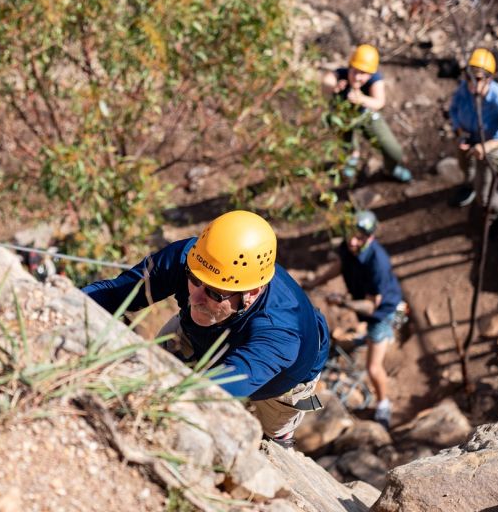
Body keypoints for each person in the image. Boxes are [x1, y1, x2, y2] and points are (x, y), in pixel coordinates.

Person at [82, 210, 330, 448]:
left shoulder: (280, 333)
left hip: (281, 381)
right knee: (154, 367)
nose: (195, 298)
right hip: (198, 334)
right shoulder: (192, 258)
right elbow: (115, 293)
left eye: (213, 292)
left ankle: (280, 434)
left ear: (252, 293)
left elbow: (218, 389)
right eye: (193, 279)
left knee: (271, 432)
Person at [304, 210, 403, 429]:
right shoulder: (350, 247)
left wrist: (344, 303)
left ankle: (384, 405)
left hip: (381, 313)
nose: (352, 241)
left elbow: (372, 305)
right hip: (365, 303)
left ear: (371, 238)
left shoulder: (378, 263)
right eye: (351, 234)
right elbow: (342, 265)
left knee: (373, 368)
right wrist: (317, 282)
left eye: (359, 237)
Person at [448, 48, 498, 228]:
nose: (471, 83)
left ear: (489, 79)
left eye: (477, 79)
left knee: (485, 196)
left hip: (490, 148)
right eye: (468, 76)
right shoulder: (464, 90)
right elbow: (453, 110)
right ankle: (469, 187)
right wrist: (459, 131)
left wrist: (491, 145)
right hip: (468, 139)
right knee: (466, 168)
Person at [321, 43, 413, 183]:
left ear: (371, 74)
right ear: (350, 66)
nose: (358, 77)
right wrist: (335, 87)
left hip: (366, 116)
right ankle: (352, 157)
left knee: (394, 152)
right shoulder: (342, 75)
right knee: (347, 143)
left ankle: (390, 169)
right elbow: (327, 80)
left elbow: (379, 102)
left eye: (363, 73)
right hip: (344, 118)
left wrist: (362, 99)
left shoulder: (375, 80)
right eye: (355, 71)